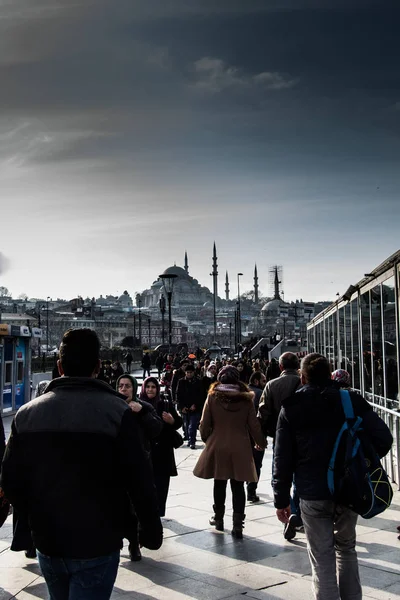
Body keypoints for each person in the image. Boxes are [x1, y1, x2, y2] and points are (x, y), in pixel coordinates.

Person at [0, 328, 163, 600]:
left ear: (60, 366)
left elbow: (10, 480)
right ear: (98, 367)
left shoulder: (26, 415)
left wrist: (36, 516)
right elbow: (140, 478)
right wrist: (149, 528)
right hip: (98, 539)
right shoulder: (117, 413)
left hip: (48, 540)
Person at [273, 353, 393, 600]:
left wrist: (281, 498)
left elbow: (282, 458)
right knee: (347, 549)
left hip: (311, 491)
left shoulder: (292, 408)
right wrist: (363, 460)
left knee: (322, 556)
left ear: (303, 377)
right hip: (348, 488)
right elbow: (384, 438)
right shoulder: (350, 401)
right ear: (330, 375)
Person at [193, 366, 266, 539]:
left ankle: (218, 519)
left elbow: (204, 424)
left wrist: (208, 440)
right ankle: (238, 525)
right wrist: (260, 443)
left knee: (219, 483)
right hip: (240, 446)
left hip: (218, 445)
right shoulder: (247, 399)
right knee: (238, 485)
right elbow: (254, 425)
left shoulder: (212, 397)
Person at [116, 373, 163, 561]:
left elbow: (156, 429)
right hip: (117, 464)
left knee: (136, 506)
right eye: (121, 385)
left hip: (139, 464)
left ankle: (135, 543)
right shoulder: (113, 406)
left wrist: (141, 412)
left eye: (128, 386)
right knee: (118, 505)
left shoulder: (145, 407)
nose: (124, 389)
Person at [258, 352, 302, 539]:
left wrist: (262, 436)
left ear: (281, 367)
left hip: (280, 435)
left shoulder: (272, 385)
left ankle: (291, 511)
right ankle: (298, 513)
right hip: (303, 437)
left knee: (280, 475)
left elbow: (263, 412)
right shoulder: (304, 382)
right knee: (299, 477)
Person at [139, 377, 183, 517]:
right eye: (148, 387)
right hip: (145, 450)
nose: (150, 390)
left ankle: (158, 513)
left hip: (163, 451)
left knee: (161, 485)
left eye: (153, 387)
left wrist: (172, 420)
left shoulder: (164, 404)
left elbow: (178, 423)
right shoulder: (138, 404)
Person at [247, 371, 267, 503]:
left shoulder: (243, 393)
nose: (265, 383)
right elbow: (264, 416)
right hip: (256, 434)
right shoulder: (260, 394)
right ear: (256, 381)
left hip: (242, 434)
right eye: (263, 380)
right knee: (256, 463)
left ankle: (247, 485)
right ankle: (251, 489)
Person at [176, 364, 205, 449]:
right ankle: (189, 439)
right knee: (186, 425)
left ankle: (192, 441)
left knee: (192, 425)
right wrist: (182, 407)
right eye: (187, 372)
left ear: (193, 372)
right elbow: (178, 395)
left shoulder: (198, 382)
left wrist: (195, 405)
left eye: (190, 372)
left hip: (195, 408)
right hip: (185, 408)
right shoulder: (181, 381)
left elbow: (201, 395)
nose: (189, 374)